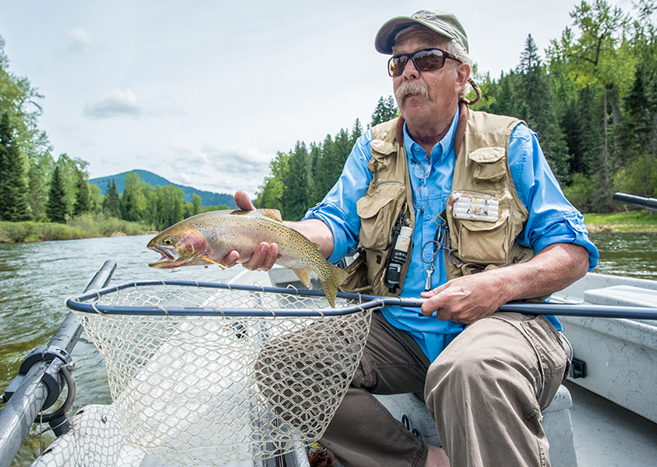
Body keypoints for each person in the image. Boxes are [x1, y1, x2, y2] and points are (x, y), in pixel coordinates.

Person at [225, 9, 599, 467]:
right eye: (398, 64)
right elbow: (333, 227)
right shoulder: (371, 149)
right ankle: (423, 461)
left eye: (427, 59)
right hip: (401, 330)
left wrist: (498, 286)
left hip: (503, 325)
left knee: (469, 369)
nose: (409, 73)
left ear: (462, 75)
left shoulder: (512, 142)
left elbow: (573, 252)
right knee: (284, 367)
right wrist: (270, 235)